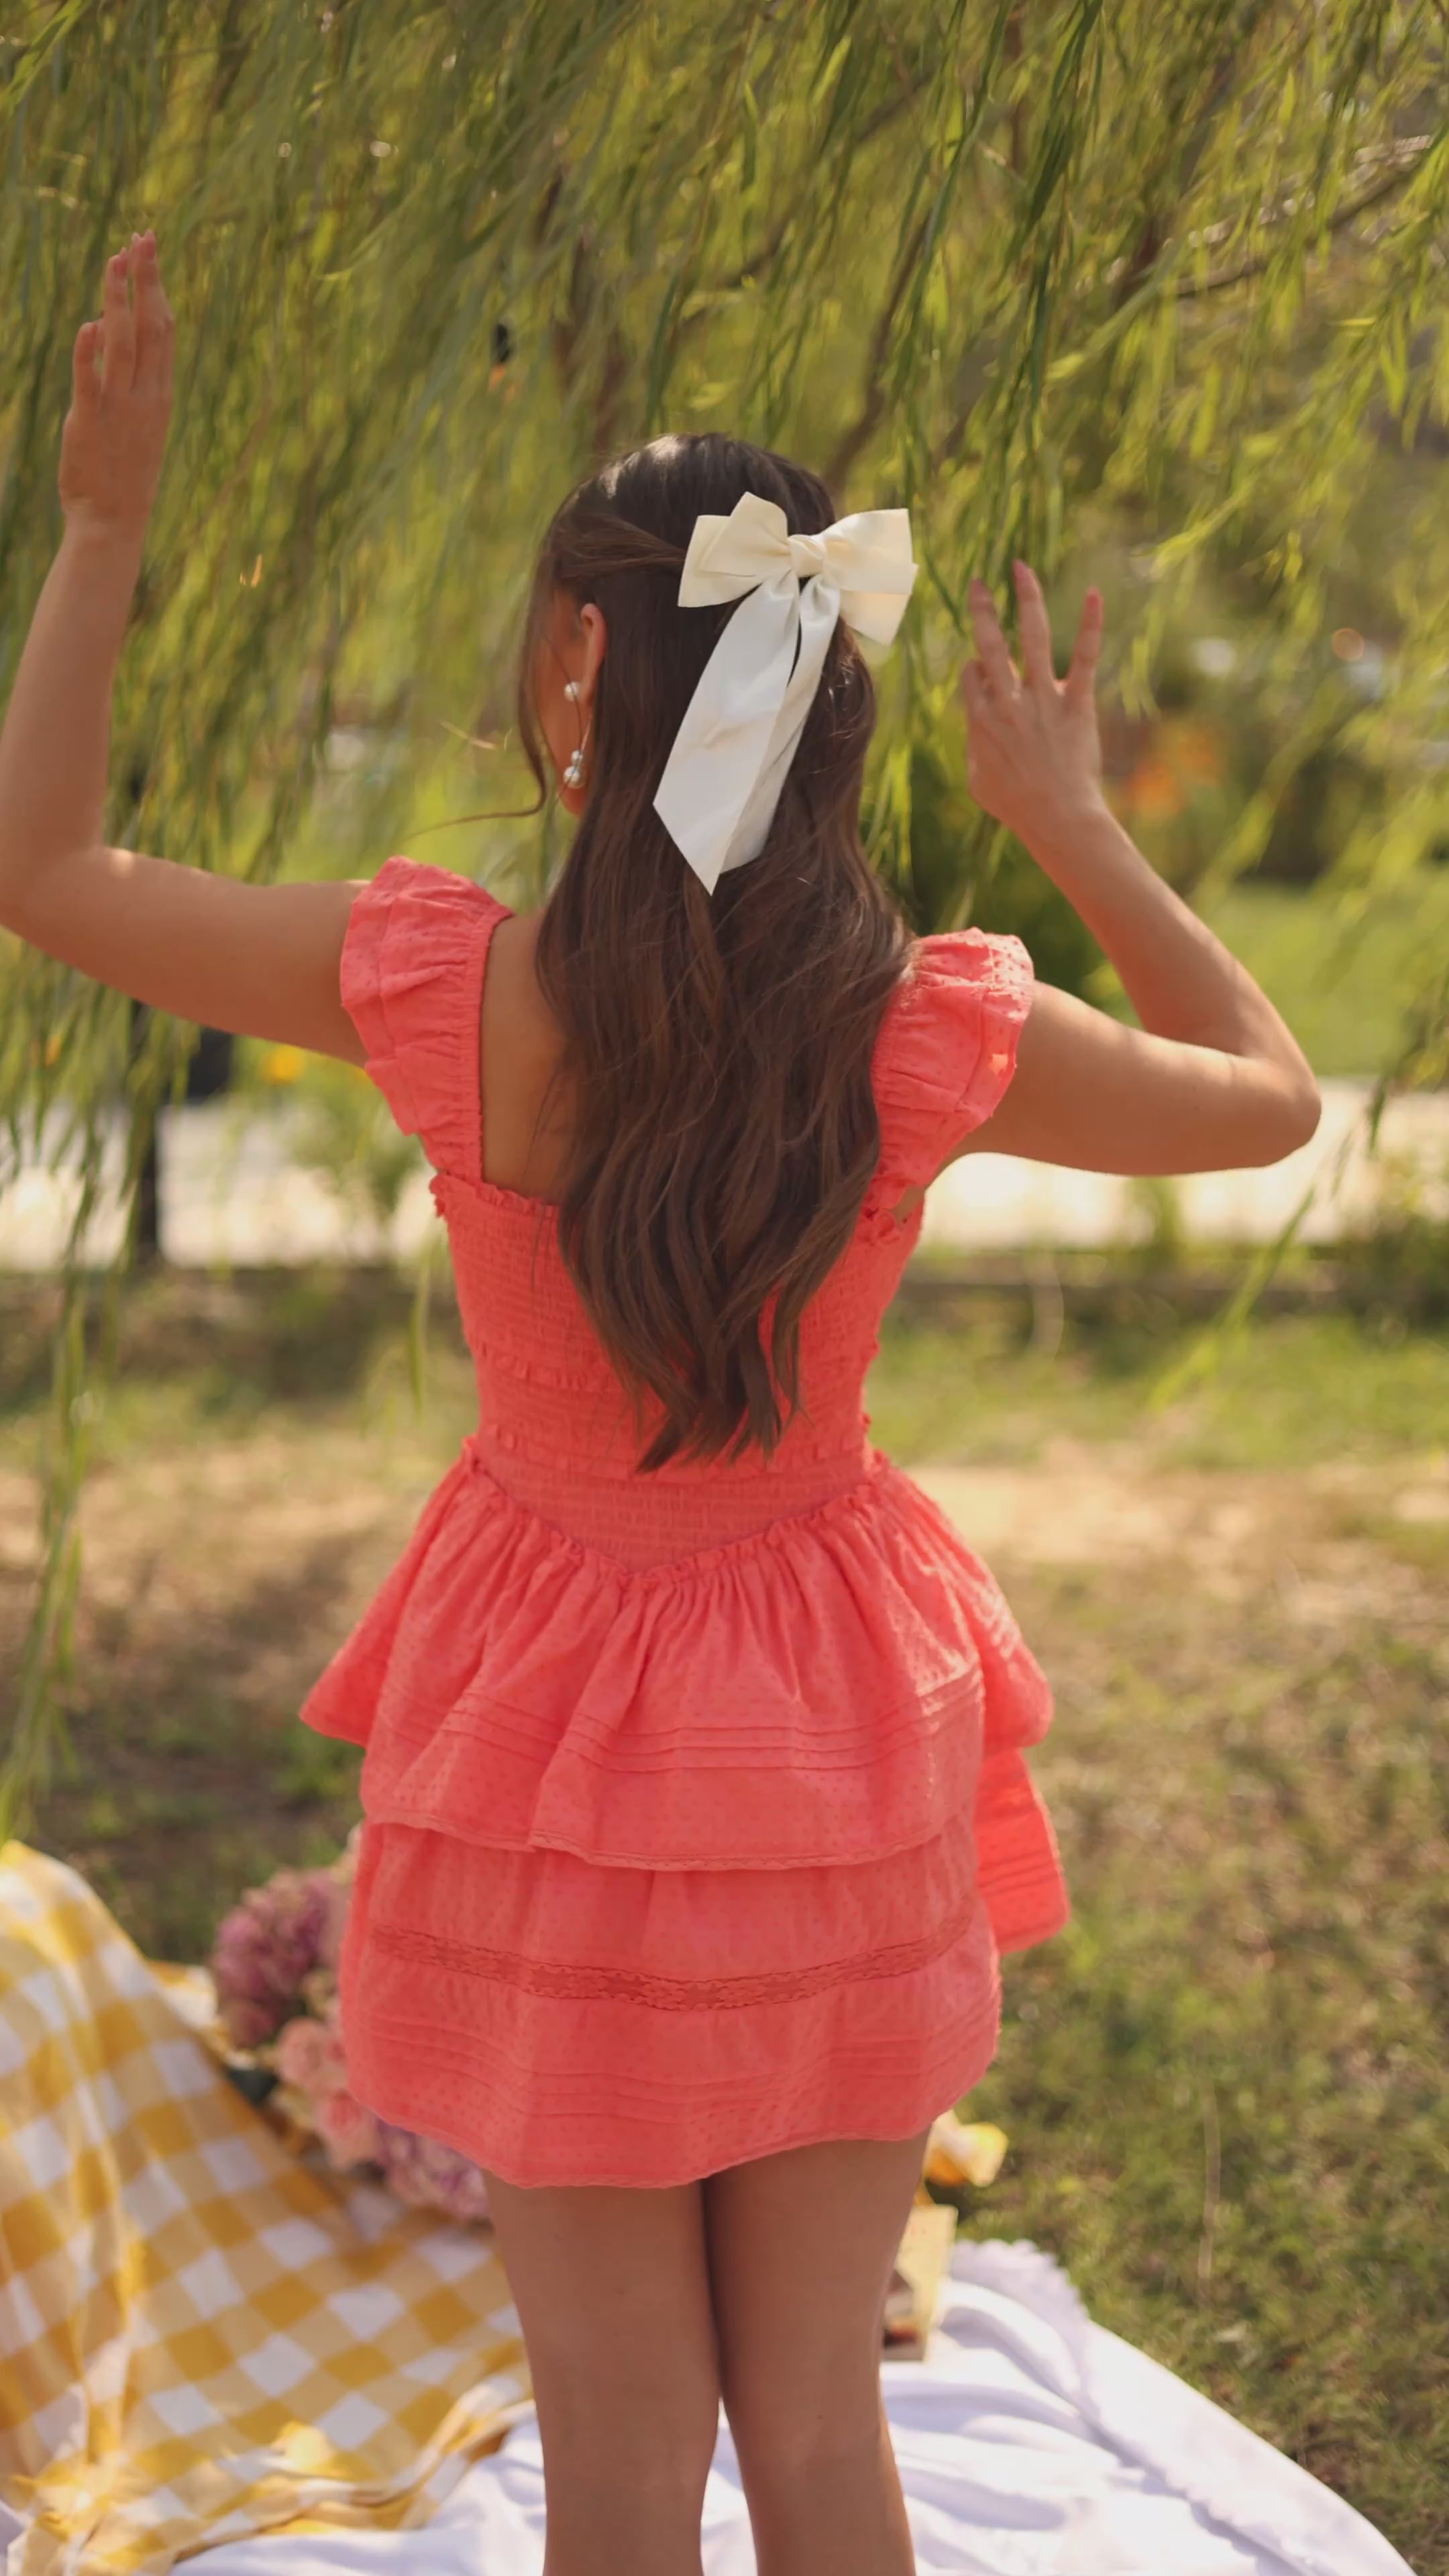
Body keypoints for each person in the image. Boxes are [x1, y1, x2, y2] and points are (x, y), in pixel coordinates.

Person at [0, 236, 1320, 2576]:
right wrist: (1070, 818)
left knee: (620, 2461)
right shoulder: (931, 1022)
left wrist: (105, 524)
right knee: (817, 2428)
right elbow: (1270, 1097)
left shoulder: (440, 984)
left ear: (581, 660)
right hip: (834, 1706)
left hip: (543, 1719)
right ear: (824, 688)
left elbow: (45, 872)